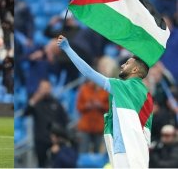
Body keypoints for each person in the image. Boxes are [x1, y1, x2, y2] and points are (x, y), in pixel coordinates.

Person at [57, 35, 152, 168]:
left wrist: (67, 49)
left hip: (126, 151)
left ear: (135, 70)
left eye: (127, 63)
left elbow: (88, 72)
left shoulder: (123, 87)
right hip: (137, 150)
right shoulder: (144, 93)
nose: (122, 65)